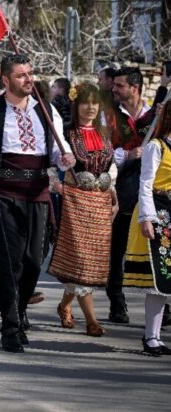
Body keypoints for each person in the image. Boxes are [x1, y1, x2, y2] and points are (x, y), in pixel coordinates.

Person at [0, 54, 75, 353]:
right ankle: (10, 327)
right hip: (2, 191)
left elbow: (56, 152)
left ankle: (20, 308)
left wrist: (65, 158)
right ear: (6, 80)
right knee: (9, 262)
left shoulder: (47, 111)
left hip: (37, 190)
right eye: (22, 75)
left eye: (30, 73)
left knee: (34, 260)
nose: (28, 79)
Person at [48, 83, 116, 337]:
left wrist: (113, 197)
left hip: (99, 204)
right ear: (77, 106)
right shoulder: (66, 135)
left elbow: (110, 168)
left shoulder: (105, 134)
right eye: (86, 103)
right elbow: (51, 166)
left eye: (95, 103)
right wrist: (58, 186)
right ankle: (91, 320)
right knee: (81, 260)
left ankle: (65, 305)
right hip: (75, 203)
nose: (91, 108)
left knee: (90, 262)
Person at [107, 67, 169, 324]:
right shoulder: (110, 115)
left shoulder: (154, 114)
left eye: (119, 85)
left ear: (134, 87)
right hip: (122, 188)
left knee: (160, 250)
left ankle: (162, 305)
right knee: (117, 248)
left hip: (150, 191)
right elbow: (104, 151)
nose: (114, 89)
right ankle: (117, 303)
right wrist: (127, 155)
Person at [126, 101, 171, 356]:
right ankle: (151, 337)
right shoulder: (157, 146)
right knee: (160, 278)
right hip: (159, 211)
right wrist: (146, 217)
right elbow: (145, 184)